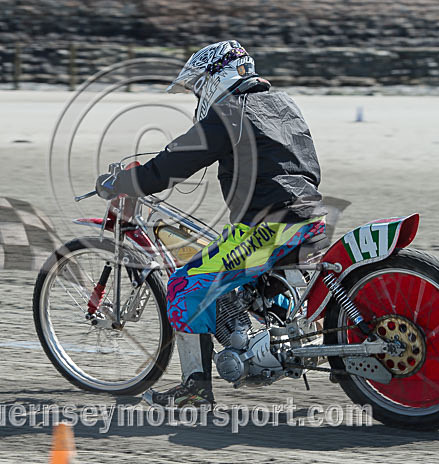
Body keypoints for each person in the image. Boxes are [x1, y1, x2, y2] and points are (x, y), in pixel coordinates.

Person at [94, 40, 326, 408]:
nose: (198, 95)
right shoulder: (283, 104)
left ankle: (195, 389)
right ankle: (268, 342)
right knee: (242, 276)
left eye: (199, 86)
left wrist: (124, 182)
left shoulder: (229, 113)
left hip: (265, 229)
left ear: (219, 76)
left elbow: (172, 164)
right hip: (310, 217)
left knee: (184, 284)